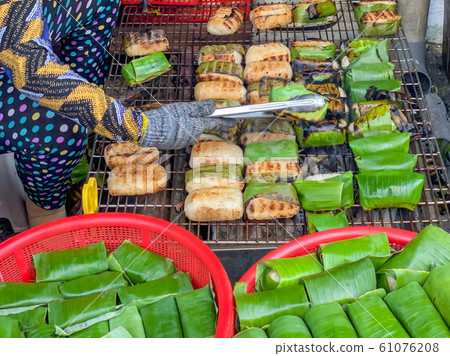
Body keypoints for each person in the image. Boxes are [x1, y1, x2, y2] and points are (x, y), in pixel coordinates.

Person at [0, 0, 234, 227]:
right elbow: (29, 69)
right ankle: (44, 211)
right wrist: (137, 126)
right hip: (18, 57)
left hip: (22, 34)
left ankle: (89, 111)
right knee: (58, 124)